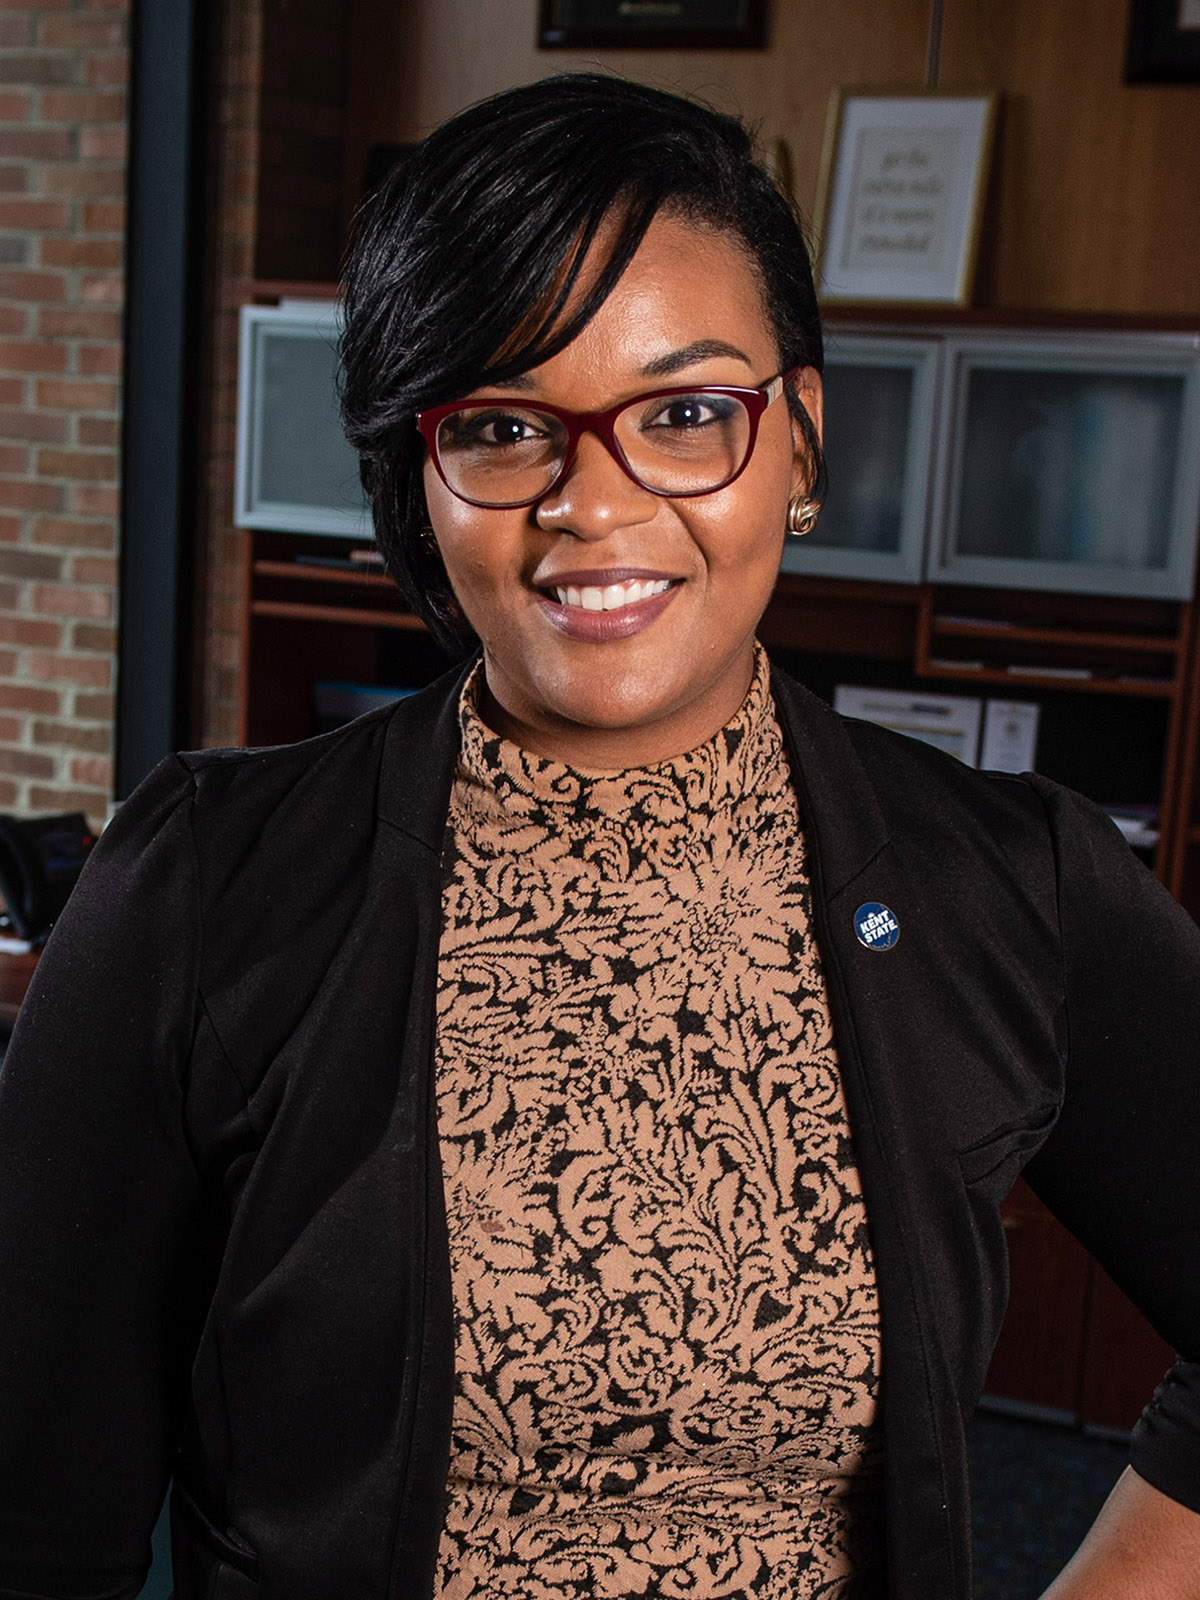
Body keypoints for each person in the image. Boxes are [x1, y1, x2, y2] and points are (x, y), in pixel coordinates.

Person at [1, 71, 1199, 1600]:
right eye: (505, 426)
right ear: (420, 476)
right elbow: (31, 1524)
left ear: (799, 440)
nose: (593, 503)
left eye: (686, 414)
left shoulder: (1007, 885)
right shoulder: (202, 890)